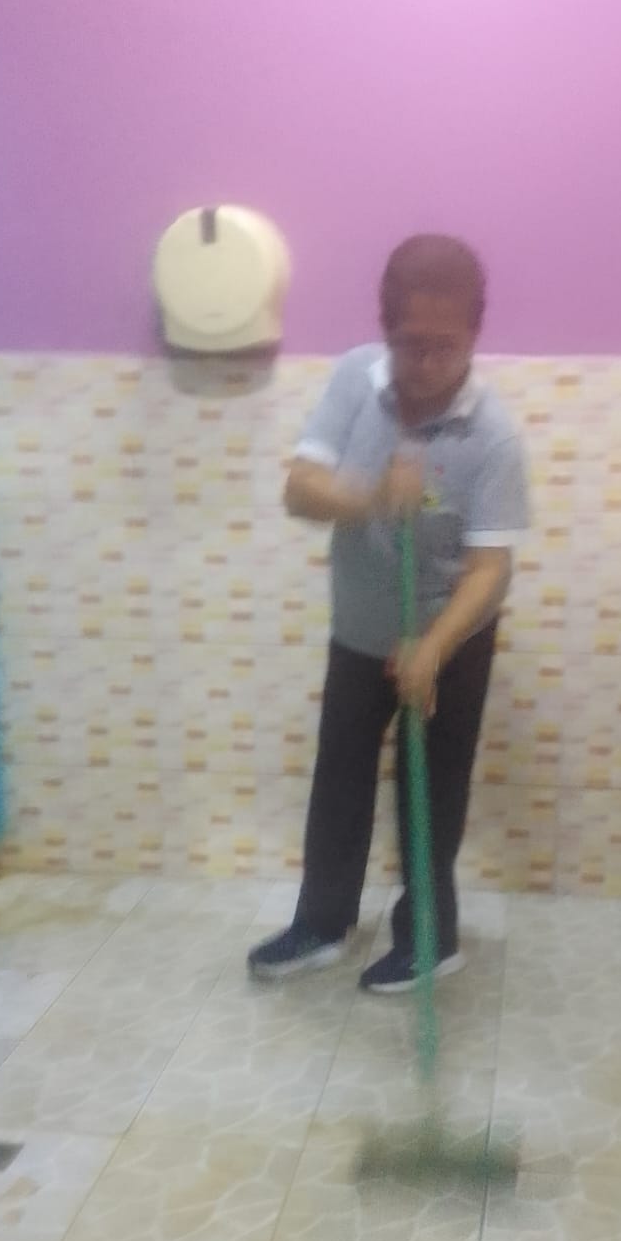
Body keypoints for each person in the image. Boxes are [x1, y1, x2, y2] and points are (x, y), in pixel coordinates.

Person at [248, 234, 529, 993]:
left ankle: (431, 938)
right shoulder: (354, 380)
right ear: (385, 330)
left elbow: (490, 569)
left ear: (475, 333)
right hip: (359, 630)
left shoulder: (493, 437)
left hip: (450, 639)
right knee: (339, 778)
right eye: (410, 344)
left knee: (429, 792)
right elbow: (300, 490)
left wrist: (434, 646)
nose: (426, 364)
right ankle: (323, 923)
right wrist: (371, 496)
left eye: (446, 346)